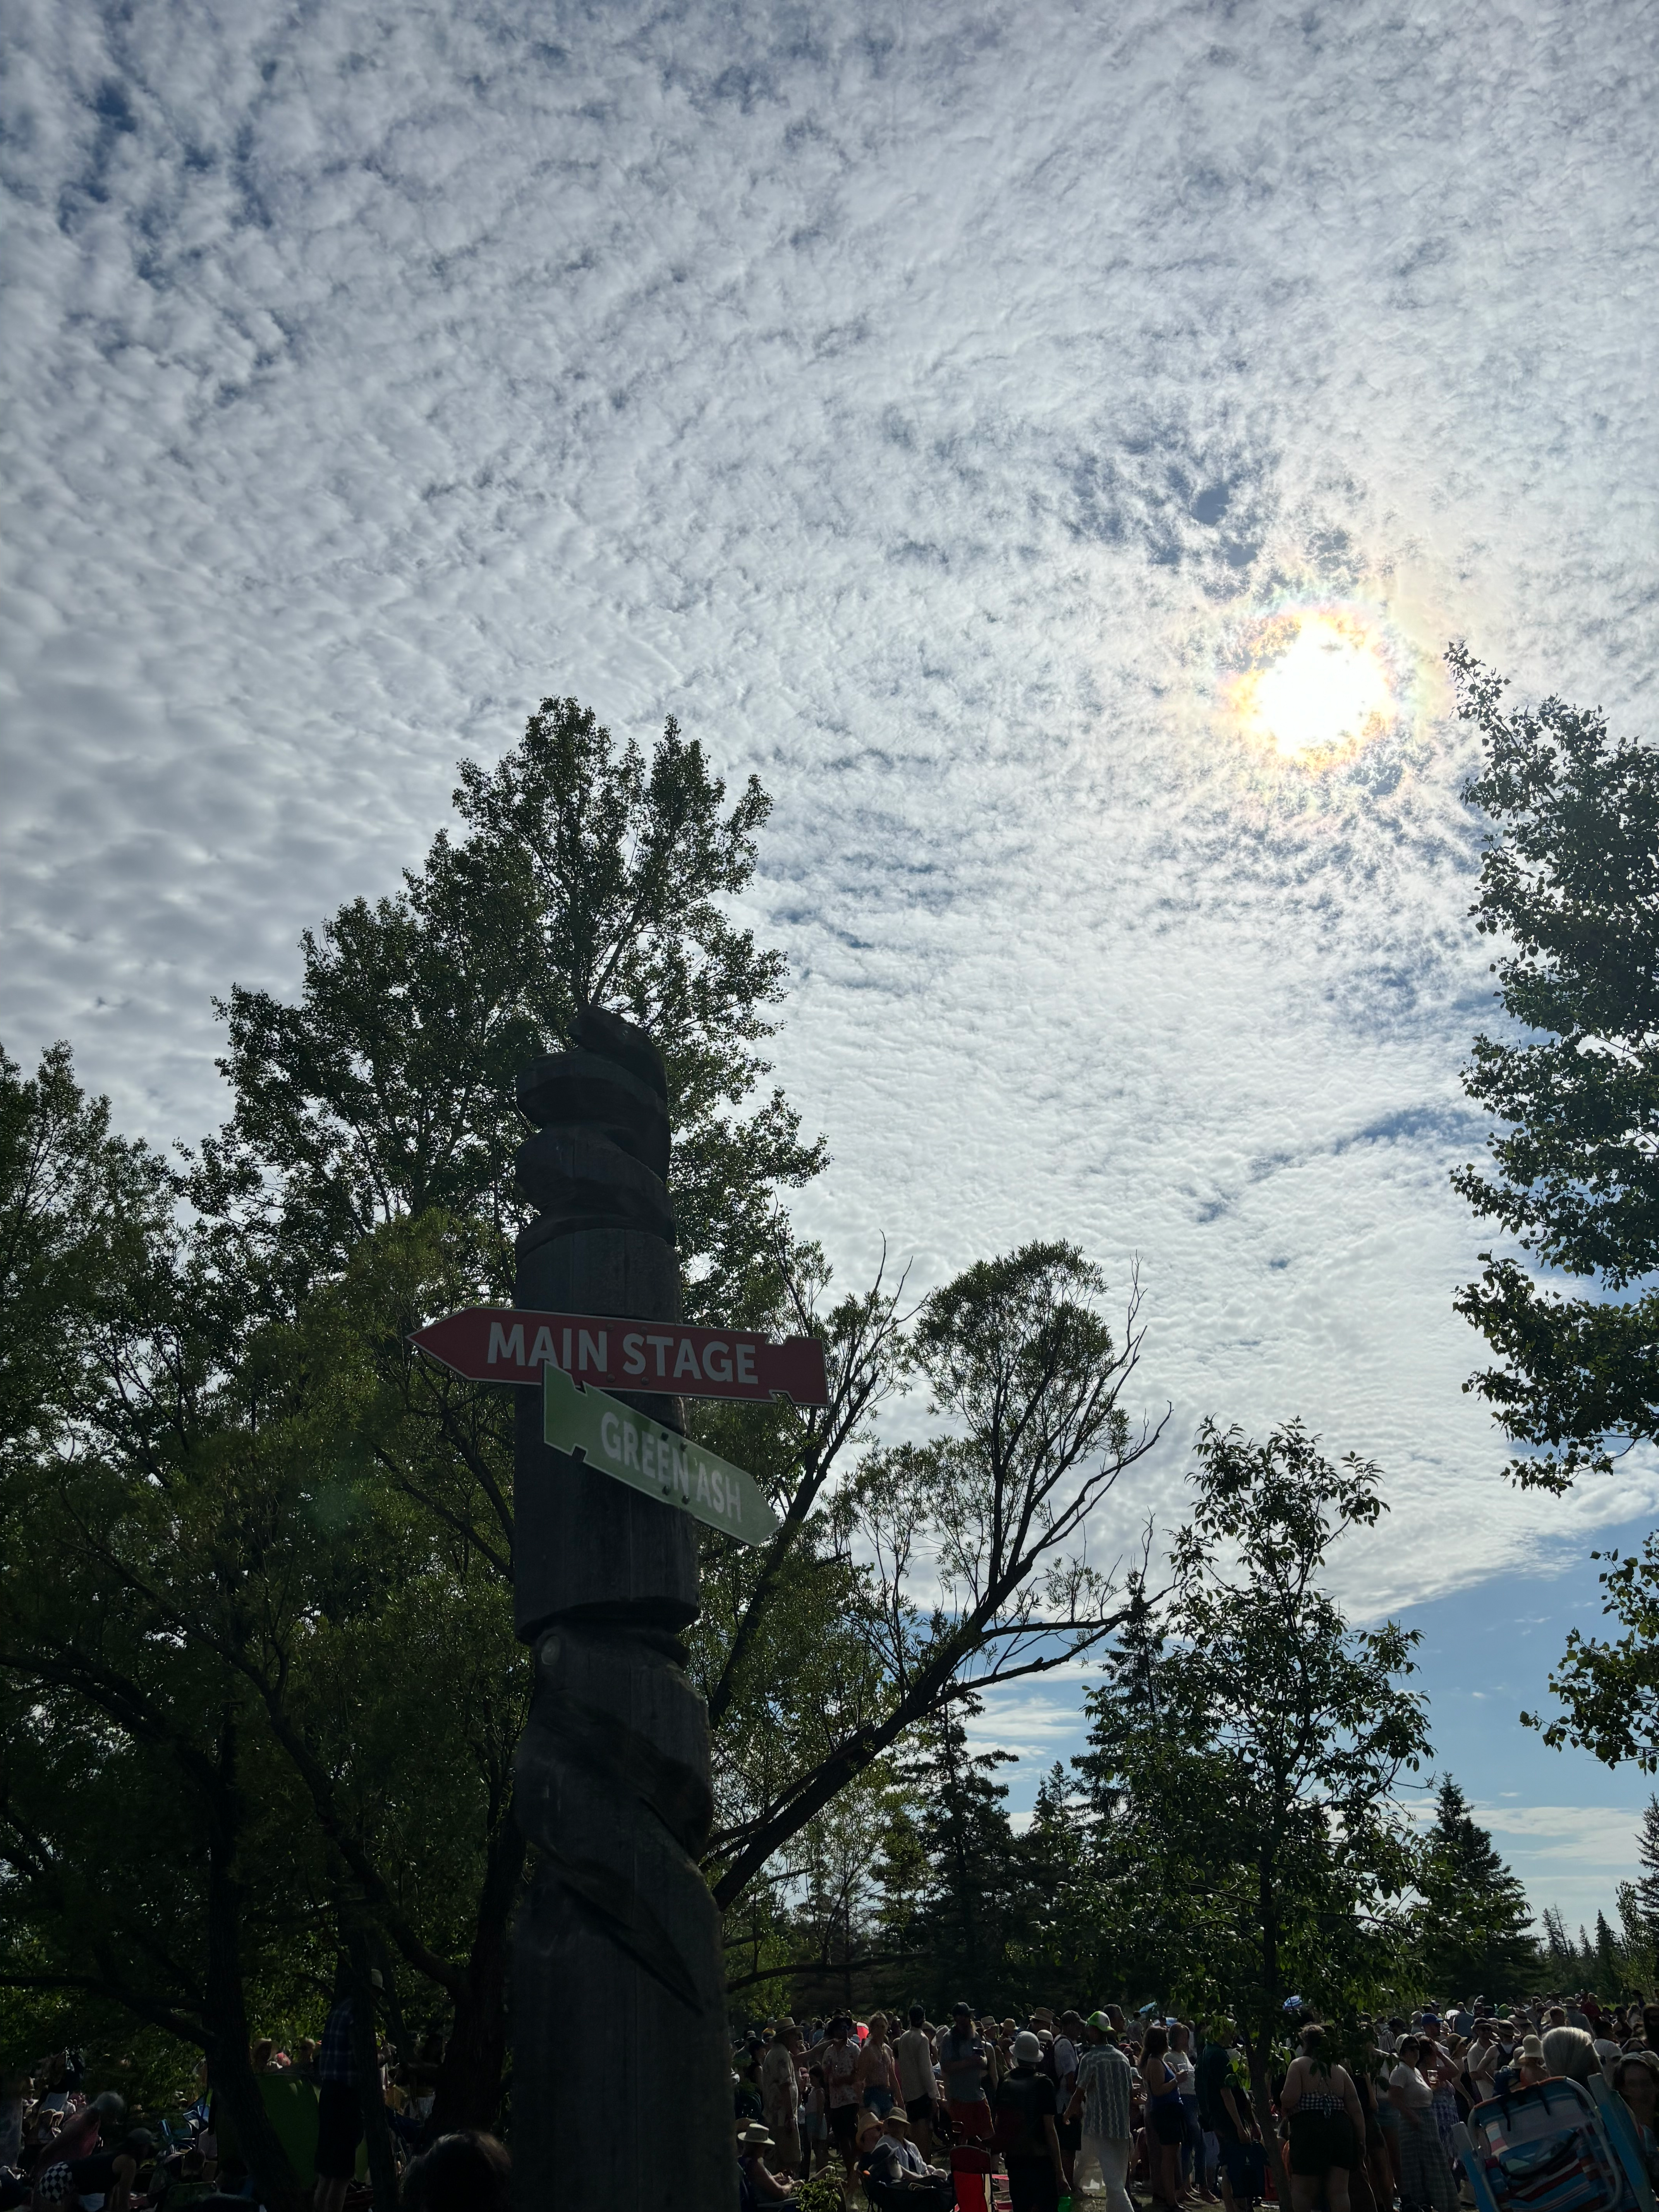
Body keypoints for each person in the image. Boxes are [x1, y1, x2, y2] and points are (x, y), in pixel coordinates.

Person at [1279, 2026, 1364, 2212]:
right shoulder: (1339, 2070)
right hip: (1340, 2130)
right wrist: (1361, 2139)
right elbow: (1355, 2108)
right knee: (1340, 2193)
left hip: (1310, 2129)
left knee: (1303, 2191)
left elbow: (1290, 2098)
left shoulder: (1299, 2065)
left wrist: (1282, 2097)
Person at [1068, 2011, 1135, 2212]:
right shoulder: (1123, 2059)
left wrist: (1067, 2115)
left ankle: (1070, 2186)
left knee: (1113, 2183)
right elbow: (1130, 2092)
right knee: (1116, 2180)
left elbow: (1079, 2093)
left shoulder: (1091, 2058)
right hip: (1122, 2128)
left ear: (1094, 2031)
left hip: (1098, 2127)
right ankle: (1072, 2186)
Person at [995, 2032, 1066, 2212]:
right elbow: (1050, 2129)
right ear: (1036, 2058)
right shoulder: (1043, 2084)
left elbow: (999, 2121)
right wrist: (1060, 2171)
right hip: (1040, 2160)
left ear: (1017, 2056)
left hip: (1015, 2158)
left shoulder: (1005, 2081)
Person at [1388, 2036, 1457, 2212]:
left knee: (1435, 2165)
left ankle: (1441, 2206)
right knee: (1418, 2170)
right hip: (1414, 2125)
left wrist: (1438, 2055)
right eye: (1411, 2048)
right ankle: (1421, 2205)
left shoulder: (1416, 2071)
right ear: (1402, 2052)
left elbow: (1448, 2076)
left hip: (1428, 2120)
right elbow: (1394, 2098)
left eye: (1417, 2048)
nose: (1415, 2052)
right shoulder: (1400, 2071)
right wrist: (1413, 2118)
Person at [857, 2111, 953, 2212]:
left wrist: (926, 2174)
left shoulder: (911, 2146)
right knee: (936, 2191)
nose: (896, 2126)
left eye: (899, 2123)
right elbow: (892, 2166)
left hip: (918, 2182)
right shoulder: (886, 2142)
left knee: (939, 2173)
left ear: (905, 2127)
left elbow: (922, 2167)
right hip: (903, 2189)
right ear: (889, 2126)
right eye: (893, 2123)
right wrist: (918, 2177)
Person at [1140, 2025, 1185, 2212]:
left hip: (1171, 2112)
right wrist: (1177, 2080)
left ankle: (1170, 2195)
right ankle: (1171, 2201)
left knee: (1172, 2157)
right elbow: (1158, 2090)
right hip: (1165, 2112)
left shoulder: (1159, 2061)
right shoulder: (1155, 2062)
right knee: (1167, 2159)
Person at [939, 2005, 993, 2147]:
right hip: (959, 2098)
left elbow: (985, 2059)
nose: (970, 2020)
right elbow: (946, 2066)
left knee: (988, 2135)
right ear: (957, 2018)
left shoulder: (974, 2035)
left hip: (978, 2095)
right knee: (963, 2140)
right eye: (966, 2016)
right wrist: (967, 2062)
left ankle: (989, 2166)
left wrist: (981, 2061)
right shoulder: (949, 2039)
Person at [820, 2018, 863, 2177]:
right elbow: (825, 2077)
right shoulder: (829, 2052)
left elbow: (859, 2073)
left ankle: (858, 2170)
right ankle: (850, 2170)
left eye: (846, 2028)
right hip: (836, 2101)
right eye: (841, 2029)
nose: (844, 2031)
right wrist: (829, 2077)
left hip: (852, 2099)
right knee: (842, 2139)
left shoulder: (854, 2049)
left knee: (854, 2136)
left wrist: (844, 2080)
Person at [760, 2022, 804, 2177]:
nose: (796, 2038)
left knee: (779, 2159)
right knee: (790, 2160)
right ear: (785, 2036)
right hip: (782, 2117)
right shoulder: (781, 2054)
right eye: (793, 2035)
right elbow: (785, 2085)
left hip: (778, 2116)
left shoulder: (778, 2052)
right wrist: (790, 2117)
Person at [893, 2008, 939, 2157]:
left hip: (909, 2093)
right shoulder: (922, 2039)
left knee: (914, 2139)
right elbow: (926, 2071)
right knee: (925, 2139)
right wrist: (934, 2095)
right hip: (922, 2093)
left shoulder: (903, 2038)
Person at [737, 2121, 797, 2207]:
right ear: (759, 2146)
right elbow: (781, 2193)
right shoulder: (754, 2166)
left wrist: (775, 2179)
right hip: (770, 2207)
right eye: (764, 2145)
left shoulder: (741, 2162)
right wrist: (791, 2185)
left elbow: (761, 2184)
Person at [859, 2016, 902, 2121]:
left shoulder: (887, 2050)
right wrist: (861, 2105)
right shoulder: (867, 2050)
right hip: (872, 2094)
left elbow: (892, 2077)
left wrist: (900, 2101)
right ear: (872, 2028)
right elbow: (859, 2079)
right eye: (877, 2026)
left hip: (886, 2095)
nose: (880, 2029)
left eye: (883, 2027)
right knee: (875, 2129)